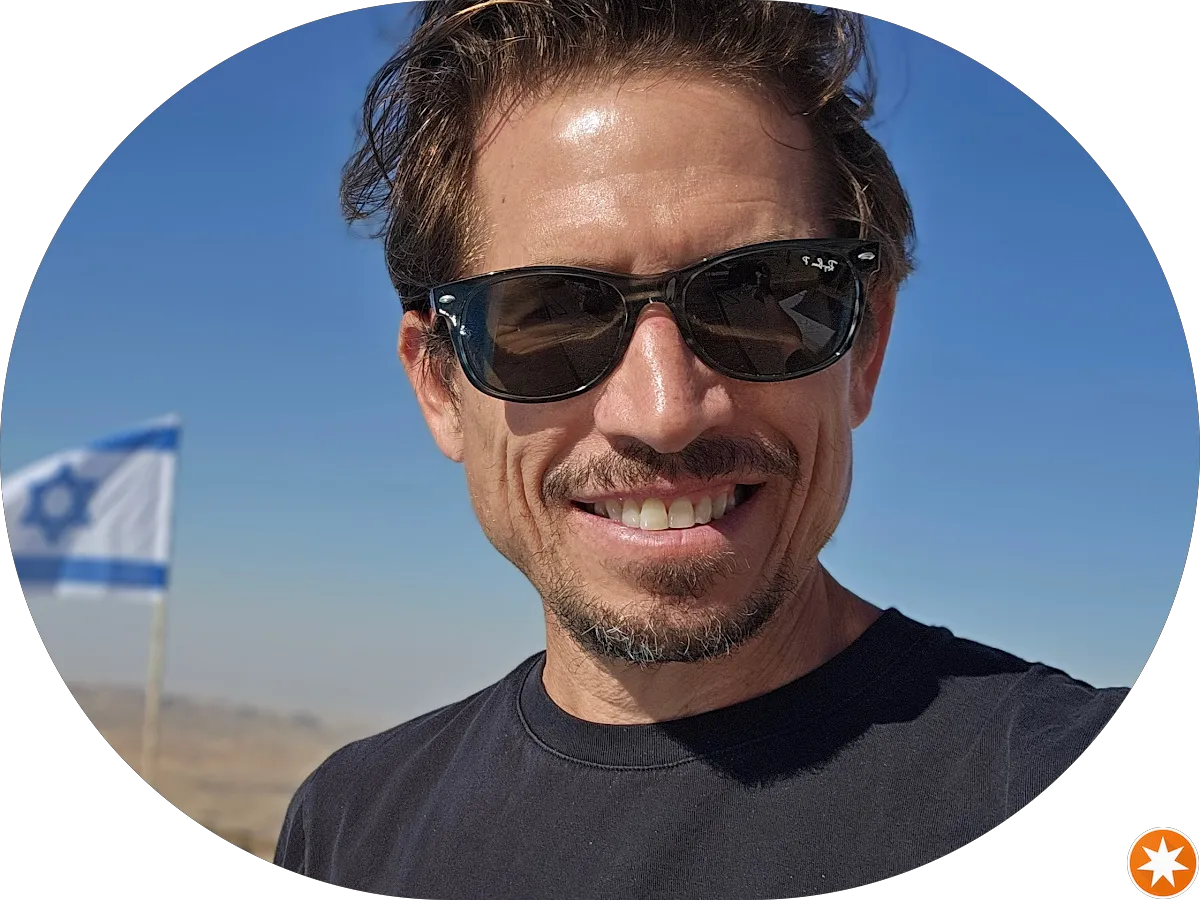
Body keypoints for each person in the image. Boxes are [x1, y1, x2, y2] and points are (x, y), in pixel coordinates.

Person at [274, 3, 1126, 897]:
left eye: (758, 298)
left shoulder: (1040, 773)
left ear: (864, 350)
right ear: (440, 387)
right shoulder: (350, 821)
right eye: (551, 316)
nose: (666, 411)